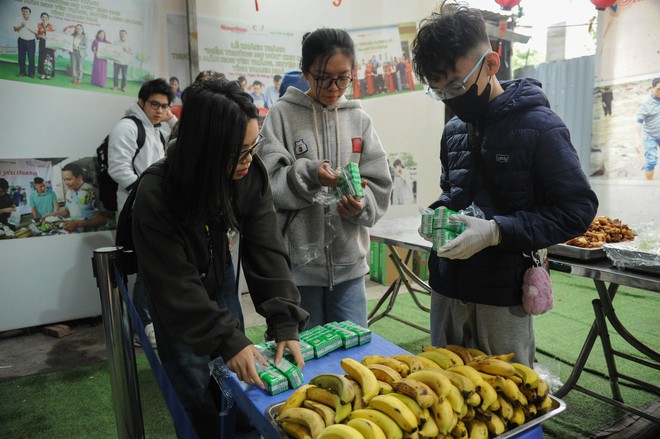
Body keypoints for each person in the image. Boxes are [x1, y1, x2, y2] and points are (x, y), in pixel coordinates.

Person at [411, 2, 598, 366]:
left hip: (502, 294)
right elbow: (455, 188)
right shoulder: (453, 130)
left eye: (455, 85)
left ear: (491, 65)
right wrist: (439, 210)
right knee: (445, 389)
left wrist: (497, 231)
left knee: (506, 394)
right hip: (447, 286)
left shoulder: (542, 128)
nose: (450, 99)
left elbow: (577, 211)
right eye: (439, 91)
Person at [130, 78, 308, 438]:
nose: (248, 159)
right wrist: (225, 340)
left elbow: (266, 247)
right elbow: (174, 286)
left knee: (237, 377)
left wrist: (283, 319)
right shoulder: (157, 192)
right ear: (203, 149)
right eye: (236, 153)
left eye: (252, 146)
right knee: (195, 385)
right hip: (173, 289)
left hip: (217, 266)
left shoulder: (248, 172)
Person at [260, 28, 393, 329]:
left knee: (353, 357)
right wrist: (308, 173)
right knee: (308, 359)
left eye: (343, 78)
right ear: (305, 72)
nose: (334, 87)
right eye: (323, 78)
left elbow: (380, 181)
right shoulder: (281, 116)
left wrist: (361, 206)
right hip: (299, 269)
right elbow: (268, 182)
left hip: (350, 266)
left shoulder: (359, 119)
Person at [108, 78, 177, 347]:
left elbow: (179, 135)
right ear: (141, 102)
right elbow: (118, 169)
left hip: (157, 210)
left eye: (165, 106)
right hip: (137, 210)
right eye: (154, 104)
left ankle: (151, 325)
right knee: (147, 269)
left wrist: (170, 118)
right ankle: (143, 328)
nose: (160, 110)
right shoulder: (127, 128)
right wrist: (148, 195)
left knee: (155, 268)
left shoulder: (156, 128)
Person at [56, 163, 107, 233]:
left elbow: (102, 219)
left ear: (79, 177)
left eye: (69, 179)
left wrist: (77, 224)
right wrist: (54, 214)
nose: (66, 183)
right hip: (76, 234)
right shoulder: (69, 192)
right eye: (64, 179)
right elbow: (67, 211)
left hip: (93, 235)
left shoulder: (93, 191)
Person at [635, 77, 660, 180]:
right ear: (652, 88)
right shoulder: (645, 103)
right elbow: (638, 123)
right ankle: (649, 185)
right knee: (651, 161)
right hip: (650, 136)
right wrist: (637, 140)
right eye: (659, 89)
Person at [13, 6, 37, 78]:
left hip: (31, 41)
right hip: (21, 41)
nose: (25, 12)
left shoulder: (33, 20)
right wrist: (21, 26)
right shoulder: (17, 19)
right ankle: (22, 72)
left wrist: (27, 26)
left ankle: (31, 73)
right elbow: (15, 29)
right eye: (23, 11)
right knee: (21, 57)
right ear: (21, 12)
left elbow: (36, 32)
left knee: (31, 57)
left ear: (29, 13)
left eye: (26, 11)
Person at [36, 12, 55, 80]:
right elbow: (37, 35)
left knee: (49, 59)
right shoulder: (39, 25)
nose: (44, 18)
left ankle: (48, 74)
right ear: (41, 18)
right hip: (42, 43)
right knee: (42, 58)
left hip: (50, 44)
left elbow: (54, 36)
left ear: (48, 18)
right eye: (43, 17)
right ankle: (42, 73)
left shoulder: (52, 26)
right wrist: (41, 36)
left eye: (46, 17)